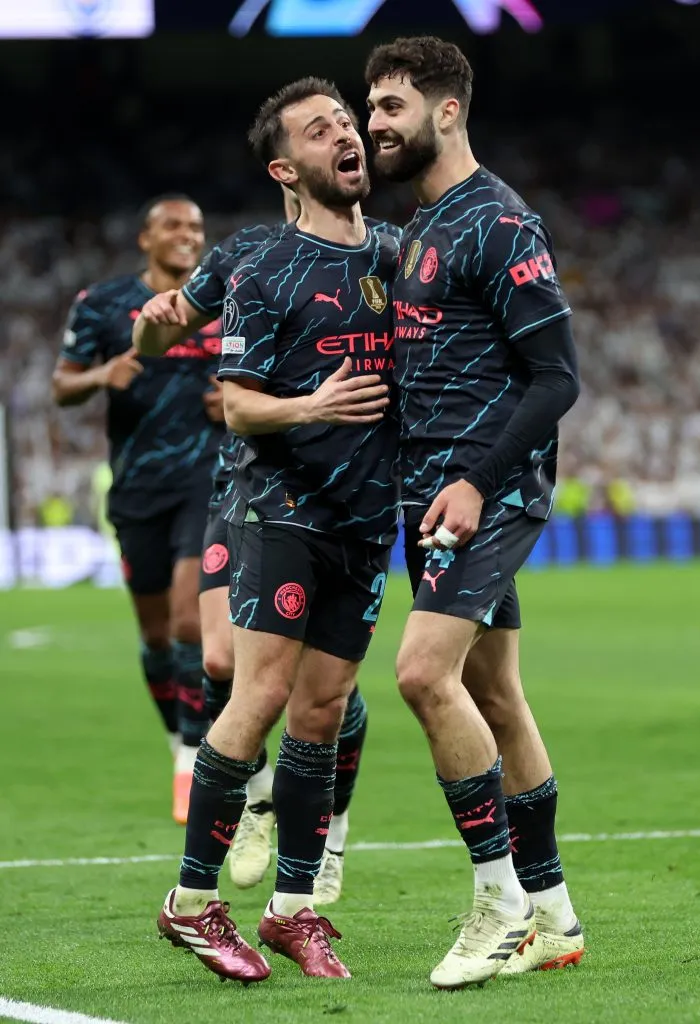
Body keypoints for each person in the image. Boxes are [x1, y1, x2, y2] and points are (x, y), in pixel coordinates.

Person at [155, 77, 399, 984]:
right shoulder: (263, 266)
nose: (347, 133)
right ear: (285, 167)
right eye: (320, 128)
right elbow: (237, 408)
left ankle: (294, 909)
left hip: (370, 521)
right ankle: (189, 904)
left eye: (347, 120)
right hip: (281, 509)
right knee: (253, 698)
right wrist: (315, 406)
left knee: (324, 710)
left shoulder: (403, 255)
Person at [365, 37, 584, 988]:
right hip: (432, 495)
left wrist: (478, 482)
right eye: (370, 108)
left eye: (392, 107)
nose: (376, 124)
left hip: (482, 493)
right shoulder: (420, 229)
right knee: (496, 696)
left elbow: (557, 379)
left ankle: (497, 900)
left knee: (421, 675)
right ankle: (555, 917)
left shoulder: (499, 224)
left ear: (447, 111)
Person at [52, 195, 217, 824]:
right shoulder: (102, 304)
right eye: (174, 226)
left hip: (207, 480)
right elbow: (61, 385)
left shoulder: (223, 302)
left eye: (196, 228)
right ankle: (179, 738)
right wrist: (100, 377)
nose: (188, 236)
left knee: (186, 620)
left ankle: (195, 757)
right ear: (146, 238)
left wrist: (237, 396)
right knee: (154, 638)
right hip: (137, 490)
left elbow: (267, 374)